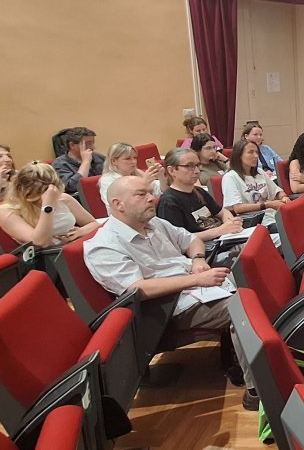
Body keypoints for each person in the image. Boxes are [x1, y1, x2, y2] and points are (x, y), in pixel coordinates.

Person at [84, 175, 258, 410]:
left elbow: (192, 240)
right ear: (118, 204)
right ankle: (258, 390)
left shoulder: (154, 224)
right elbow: (137, 289)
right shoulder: (104, 245)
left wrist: (198, 259)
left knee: (257, 281)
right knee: (242, 308)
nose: (152, 198)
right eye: (141, 194)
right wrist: (196, 279)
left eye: (150, 192)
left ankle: (276, 354)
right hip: (166, 307)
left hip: (196, 284)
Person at [0, 162, 99, 247]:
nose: (44, 196)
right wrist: (47, 206)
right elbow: (40, 242)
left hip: (76, 245)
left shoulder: (63, 198)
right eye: (38, 194)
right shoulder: (6, 212)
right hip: (47, 258)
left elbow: (93, 224)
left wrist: (79, 232)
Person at [156, 147, 243, 241]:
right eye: (189, 166)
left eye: (198, 165)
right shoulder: (168, 202)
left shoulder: (199, 191)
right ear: (171, 171)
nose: (197, 171)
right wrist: (220, 230)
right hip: (204, 246)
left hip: (223, 238)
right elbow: (179, 239)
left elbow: (222, 212)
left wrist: (230, 223)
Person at [221, 140, 288, 241]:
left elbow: (276, 191)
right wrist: (267, 205)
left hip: (273, 216)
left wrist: (284, 197)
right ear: (239, 155)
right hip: (256, 222)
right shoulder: (230, 177)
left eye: (257, 152)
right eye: (250, 152)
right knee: (291, 231)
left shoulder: (259, 172)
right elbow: (237, 208)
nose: (256, 156)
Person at [99, 143, 164, 206]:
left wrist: (162, 177)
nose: (134, 161)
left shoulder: (138, 173)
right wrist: (144, 183)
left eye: (135, 158)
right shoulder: (107, 180)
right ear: (114, 161)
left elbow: (160, 192)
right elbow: (123, 204)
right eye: (128, 158)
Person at [52, 127, 105, 194]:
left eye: (92, 143)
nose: (92, 147)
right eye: (88, 143)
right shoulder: (59, 164)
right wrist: (85, 162)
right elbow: (73, 187)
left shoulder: (99, 157)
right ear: (72, 145)